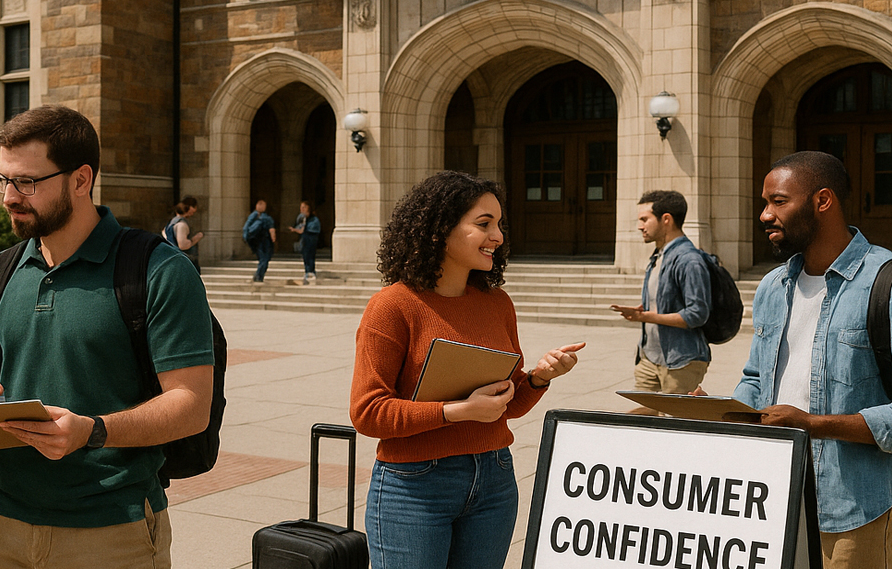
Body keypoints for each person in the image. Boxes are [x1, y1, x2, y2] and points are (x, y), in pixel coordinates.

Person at [0, 106, 215, 569]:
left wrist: (93, 431)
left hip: (112, 528)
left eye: (27, 182)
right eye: (1, 179)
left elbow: (191, 406)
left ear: (80, 179)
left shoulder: (159, 270)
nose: (8, 197)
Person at [729, 151, 892, 569]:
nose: (764, 215)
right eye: (764, 203)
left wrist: (814, 425)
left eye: (778, 201)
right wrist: (722, 409)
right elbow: (757, 378)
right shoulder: (772, 287)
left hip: (855, 506)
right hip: (772, 496)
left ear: (822, 201)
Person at [350, 171, 585, 569]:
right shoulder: (392, 306)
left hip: (495, 477)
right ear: (440, 228)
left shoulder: (497, 303)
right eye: (483, 224)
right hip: (415, 485)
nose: (498, 236)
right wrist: (455, 411)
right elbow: (367, 412)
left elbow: (503, 405)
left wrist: (539, 378)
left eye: (498, 224)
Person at [607, 191, 711, 410]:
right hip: (649, 357)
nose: (639, 226)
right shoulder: (658, 255)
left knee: (674, 429)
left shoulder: (689, 260)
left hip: (681, 361)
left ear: (666, 219)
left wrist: (645, 317)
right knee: (640, 424)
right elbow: (665, 301)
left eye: (644, 219)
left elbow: (697, 314)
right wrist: (643, 310)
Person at [162, 196, 204, 272]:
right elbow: (183, 245)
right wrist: (196, 238)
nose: (193, 212)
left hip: (173, 260)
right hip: (184, 263)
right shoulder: (181, 224)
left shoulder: (170, 224)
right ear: (190, 207)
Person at [289, 201, 321, 284]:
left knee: (310, 254)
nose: (302, 209)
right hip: (304, 238)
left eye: (304, 207)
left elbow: (313, 228)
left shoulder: (314, 219)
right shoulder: (301, 218)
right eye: (301, 207)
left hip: (311, 237)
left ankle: (311, 271)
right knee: (305, 255)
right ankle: (307, 271)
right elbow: (300, 228)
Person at [245, 200, 276, 283]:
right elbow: (272, 230)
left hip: (256, 241)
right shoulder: (267, 218)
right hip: (265, 241)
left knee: (261, 258)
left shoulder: (252, 217)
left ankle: (258, 275)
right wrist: (273, 239)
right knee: (265, 259)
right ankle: (259, 275)